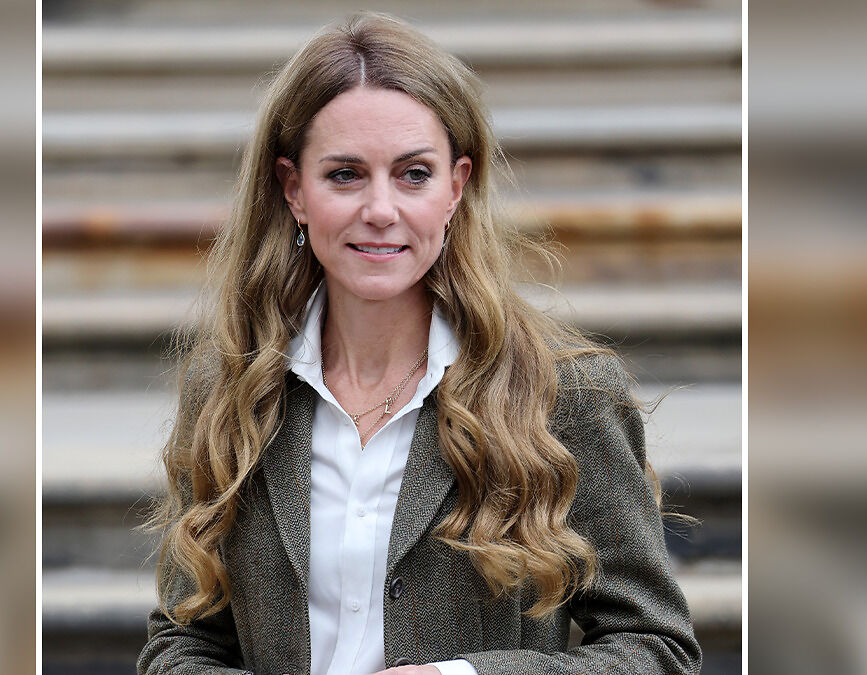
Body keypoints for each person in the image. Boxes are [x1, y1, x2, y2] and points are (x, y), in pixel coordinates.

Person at [138, 12, 700, 675]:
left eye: (413, 174)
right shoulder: (229, 391)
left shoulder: (563, 394)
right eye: (345, 174)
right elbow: (179, 645)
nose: (381, 208)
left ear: (456, 187)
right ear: (295, 190)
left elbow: (658, 649)